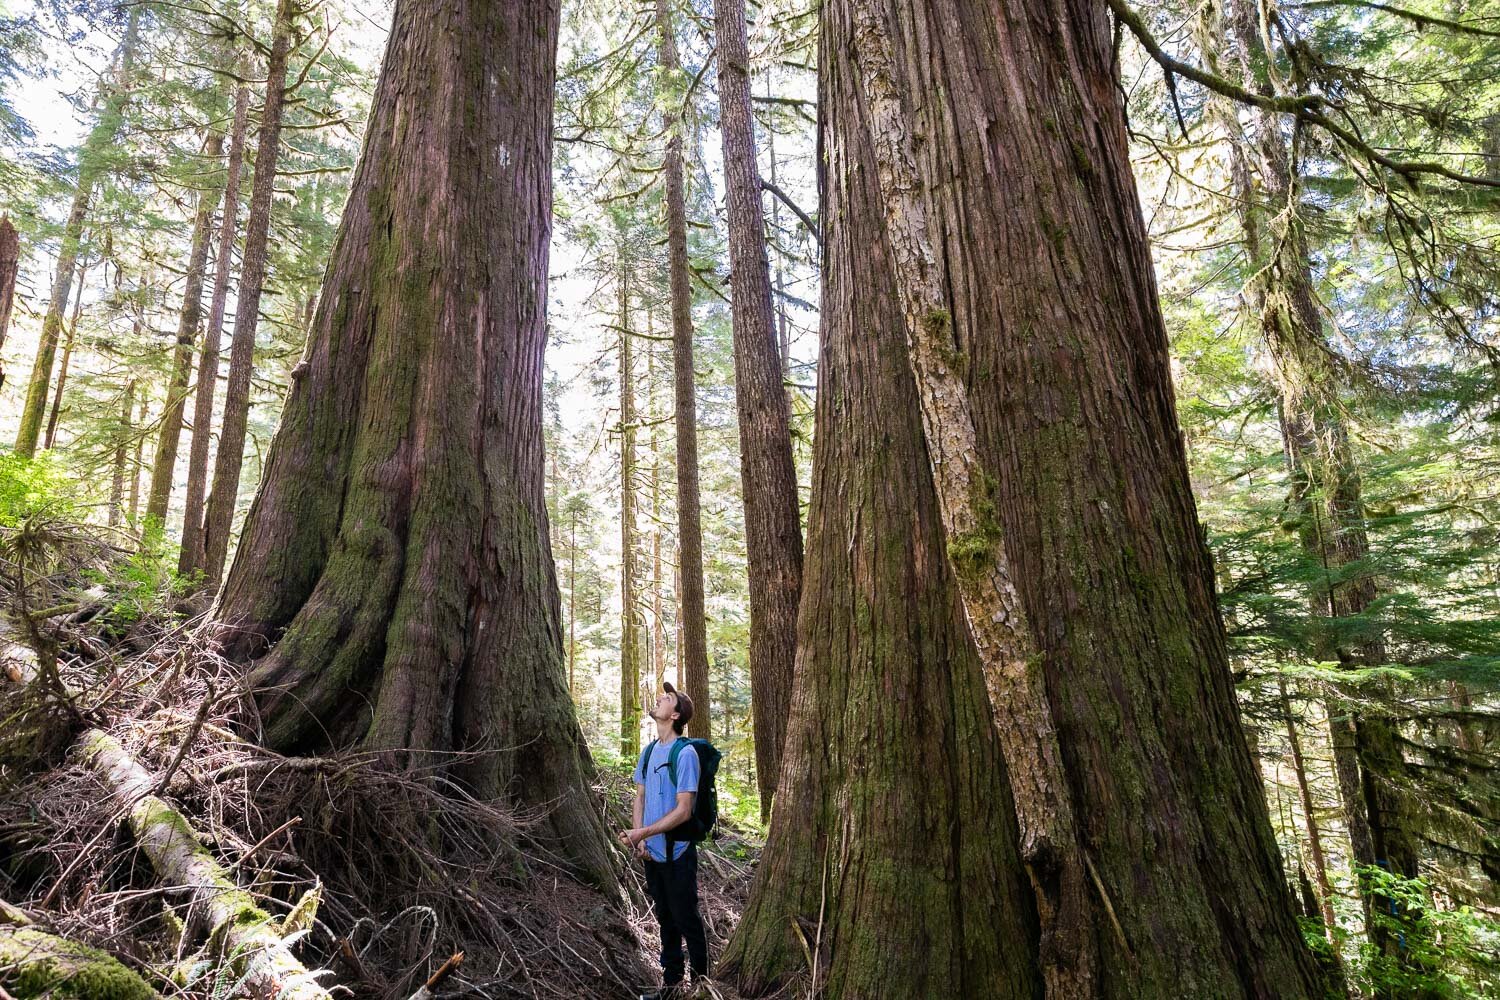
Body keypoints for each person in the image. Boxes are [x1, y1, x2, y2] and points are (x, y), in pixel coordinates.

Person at [620, 682, 708, 999]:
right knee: (665, 920)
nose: (660, 698)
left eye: (667, 698)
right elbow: (640, 796)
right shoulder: (648, 752)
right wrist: (637, 837)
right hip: (652, 855)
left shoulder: (684, 755)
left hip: (679, 855)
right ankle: (670, 989)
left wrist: (643, 832)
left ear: (675, 714)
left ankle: (701, 987)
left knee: (687, 920)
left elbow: (684, 811)